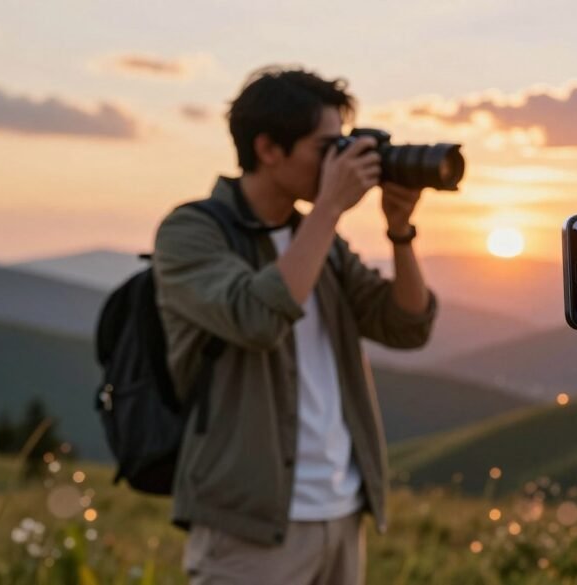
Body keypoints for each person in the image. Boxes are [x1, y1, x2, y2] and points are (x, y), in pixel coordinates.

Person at [153, 67, 437, 585]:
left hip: (342, 510)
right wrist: (329, 208)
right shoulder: (192, 232)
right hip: (250, 525)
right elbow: (257, 318)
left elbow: (406, 325)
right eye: (326, 147)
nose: (339, 163)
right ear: (268, 148)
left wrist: (400, 231)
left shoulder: (317, 238)